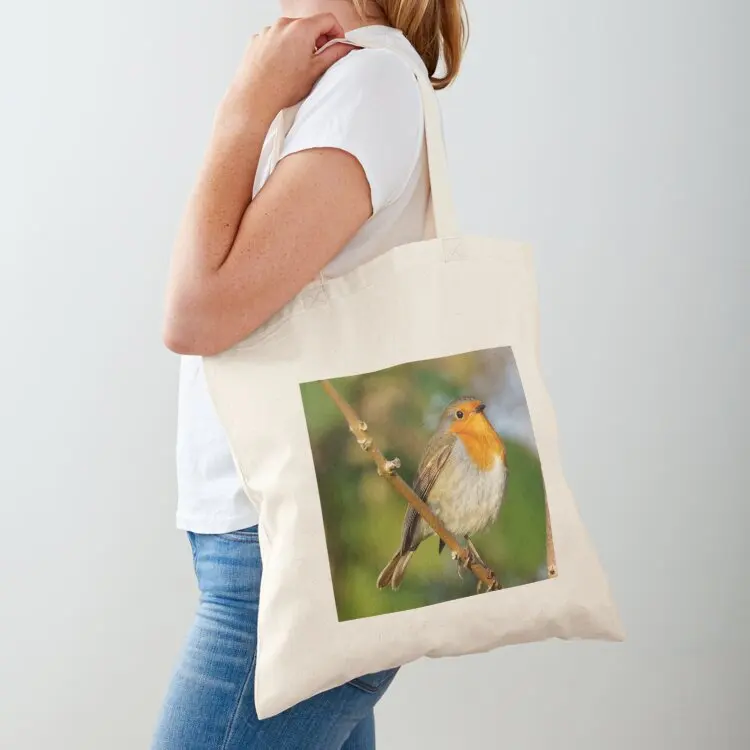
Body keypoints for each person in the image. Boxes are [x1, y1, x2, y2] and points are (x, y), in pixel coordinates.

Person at [153, 1, 467, 748]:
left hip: (289, 572)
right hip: (271, 554)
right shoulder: (335, 82)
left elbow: (196, 313)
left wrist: (244, 106)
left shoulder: (369, 85)